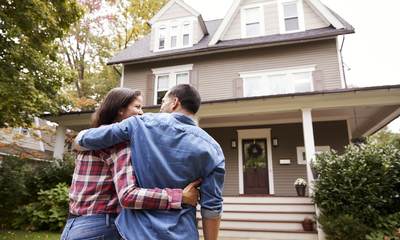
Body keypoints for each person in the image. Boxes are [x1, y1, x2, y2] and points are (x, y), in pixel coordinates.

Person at [75, 84, 225, 240]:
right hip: (183, 234)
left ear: (174, 102)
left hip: (138, 233)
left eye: (163, 102)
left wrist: (78, 141)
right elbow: (212, 207)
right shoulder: (213, 149)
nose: (160, 108)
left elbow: (86, 139)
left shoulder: (140, 123)